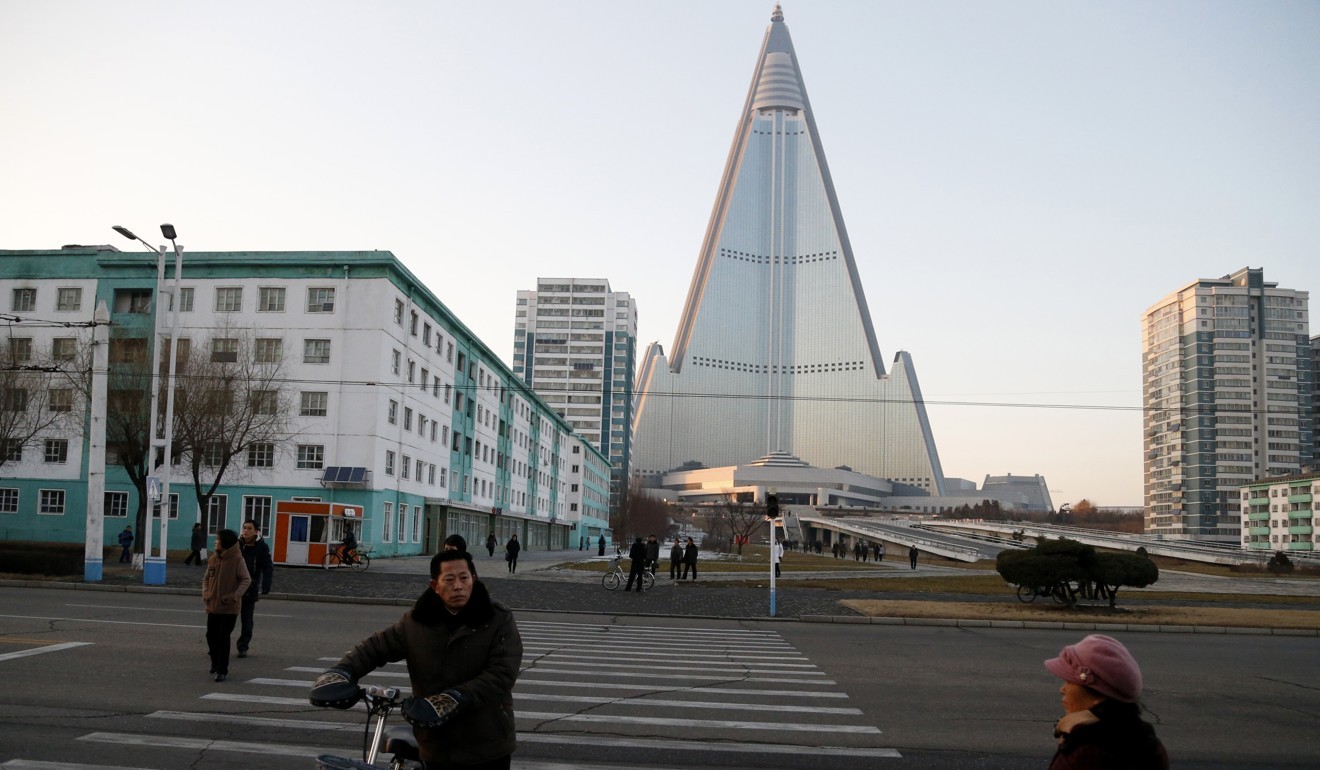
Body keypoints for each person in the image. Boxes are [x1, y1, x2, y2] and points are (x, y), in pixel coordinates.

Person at [311, 550, 523, 769]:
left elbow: (502, 674)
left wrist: (453, 698)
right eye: (449, 580)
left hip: (487, 744)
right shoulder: (418, 622)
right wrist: (342, 671)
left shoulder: (497, 618)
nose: (458, 586)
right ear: (435, 586)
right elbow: (376, 648)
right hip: (436, 745)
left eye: (464, 578)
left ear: (474, 580)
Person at [1044, 634, 1168, 769]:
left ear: (1099, 696)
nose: (1062, 689)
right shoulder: (1145, 739)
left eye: (1070, 682)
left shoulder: (1088, 753)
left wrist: (1071, 741)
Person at [202, 528, 251, 682]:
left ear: (226, 543)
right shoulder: (213, 559)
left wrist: (234, 596)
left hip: (229, 607)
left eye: (218, 539)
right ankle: (215, 662)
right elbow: (206, 578)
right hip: (213, 605)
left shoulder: (237, 559)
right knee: (211, 636)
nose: (216, 541)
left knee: (223, 637)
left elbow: (246, 579)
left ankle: (222, 669)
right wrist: (206, 593)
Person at [236, 519, 273, 659]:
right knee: (227, 619)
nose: (245, 531)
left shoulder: (262, 547)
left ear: (256, 531)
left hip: (250, 587)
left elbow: (267, 567)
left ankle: (243, 646)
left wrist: (266, 585)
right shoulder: (237, 545)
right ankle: (220, 645)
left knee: (247, 619)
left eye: (249, 528)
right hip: (234, 586)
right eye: (244, 528)